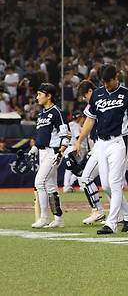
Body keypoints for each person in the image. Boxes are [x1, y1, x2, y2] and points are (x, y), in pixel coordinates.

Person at [74, 65, 128, 235]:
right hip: (102, 144)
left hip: (119, 141)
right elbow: (90, 119)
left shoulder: (127, 94)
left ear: (116, 77)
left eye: (108, 81)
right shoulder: (97, 94)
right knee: (106, 185)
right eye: (103, 82)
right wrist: (80, 140)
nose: (106, 84)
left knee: (115, 183)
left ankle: (111, 223)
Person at [31, 83, 69, 228]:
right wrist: (35, 148)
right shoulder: (41, 114)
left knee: (39, 182)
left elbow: (65, 134)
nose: (37, 97)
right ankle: (58, 219)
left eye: (40, 94)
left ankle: (44, 217)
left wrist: (61, 151)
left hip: (53, 152)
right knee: (51, 186)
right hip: (42, 152)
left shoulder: (57, 112)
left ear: (49, 96)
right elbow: (41, 135)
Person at [74, 80, 107, 225]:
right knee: (109, 182)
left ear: (89, 91)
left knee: (87, 178)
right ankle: (117, 213)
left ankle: (99, 211)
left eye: (83, 95)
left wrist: (79, 141)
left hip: (105, 143)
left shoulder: (97, 101)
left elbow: (88, 123)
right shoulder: (103, 100)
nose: (83, 99)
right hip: (101, 144)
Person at [63, 111, 85, 193]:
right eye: (81, 117)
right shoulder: (75, 125)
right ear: (78, 117)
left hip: (66, 147)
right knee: (79, 167)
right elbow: (78, 137)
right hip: (73, 147)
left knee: (68, 169)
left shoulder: (69, 124)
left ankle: (66, 187)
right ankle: (82, 186)